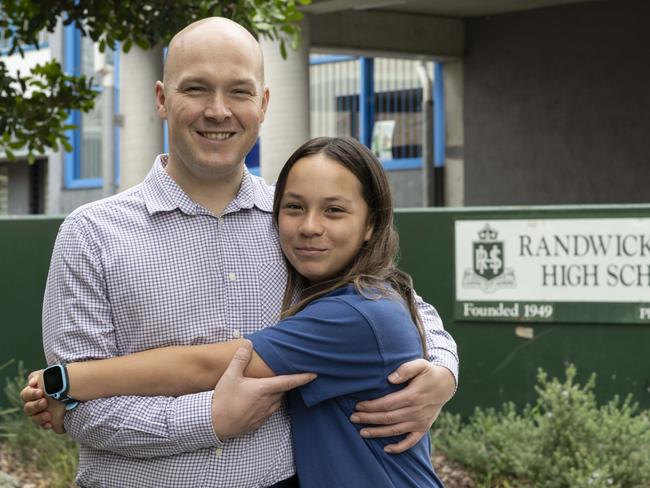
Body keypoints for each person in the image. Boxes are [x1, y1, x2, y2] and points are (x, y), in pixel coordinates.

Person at [21, 17, 458, 488]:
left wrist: (442, 372)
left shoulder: (295, 219)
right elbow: (74, 409)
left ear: (263, 103)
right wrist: (206, 419)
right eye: (196, 89)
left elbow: (396, 307)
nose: (218, 110)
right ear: (162, 99)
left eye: (239, 92)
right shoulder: (91, 234)